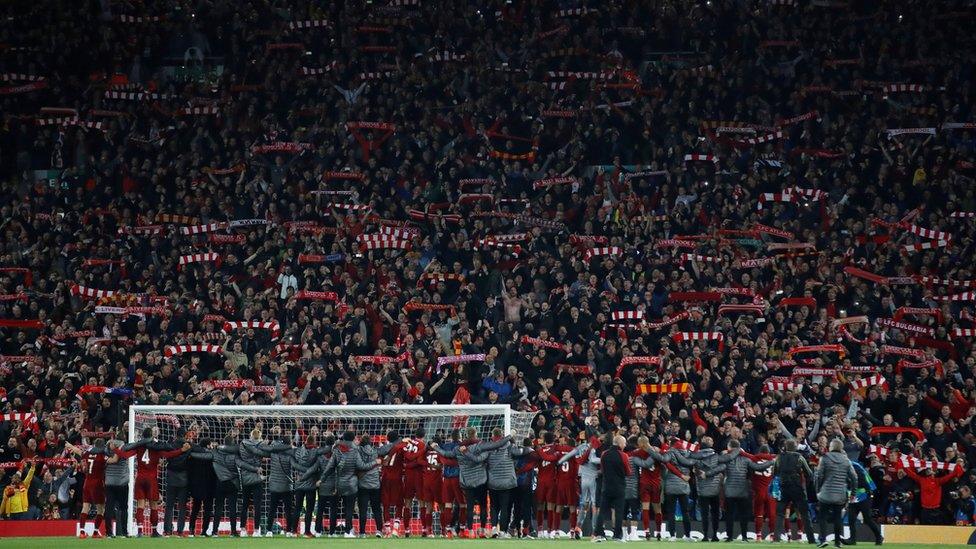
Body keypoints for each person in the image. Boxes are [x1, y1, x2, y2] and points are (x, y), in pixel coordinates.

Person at [432, 427, 511, 538]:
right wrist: (510, 436)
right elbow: (495, 446)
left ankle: (469, 531)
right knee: (483, 506)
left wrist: (435, 446)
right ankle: (482, 530)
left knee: (469, 507)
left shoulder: (458, 448)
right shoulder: (480, 446)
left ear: (465, 436)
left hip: (467, 482)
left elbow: (445, 454)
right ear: (476, 434)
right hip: (481, 481)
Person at [115, 428, 191, 537]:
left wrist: (115, 450)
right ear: (151, 436)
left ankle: (140, 532)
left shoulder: (139, 446)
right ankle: (154, 531)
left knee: (140, 505)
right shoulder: (156, 447)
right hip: (151, 479)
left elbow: (125, 456)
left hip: (140, 478)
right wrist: (182, 450)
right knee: (153, 506)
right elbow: (168, 455)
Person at [705, 440, 773, 542]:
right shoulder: (746, 459)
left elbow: (718, 466)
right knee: (743, 516)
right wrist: (771, 462)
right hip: (743, 491)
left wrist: (707, 473)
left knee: (729, 515)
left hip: (729, 491)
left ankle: (730, 537)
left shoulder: (727, 459)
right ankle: (744, 537)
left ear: (730, 447)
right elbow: (758, 467)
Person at [470, 427, 529, 538]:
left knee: (494, 507)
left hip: (493, 483)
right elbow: (520, 452)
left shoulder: (488, 448)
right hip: (507, 483)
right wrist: (526, 448)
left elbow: (481, 461)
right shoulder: (509, 446)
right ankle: (502, 531)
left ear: (492, 436)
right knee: (505, 507)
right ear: (502, 435)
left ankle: (493, 529)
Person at [191, 436, 243, 537]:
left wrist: (191, 454)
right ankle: (233, 532)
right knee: (232, 508)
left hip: (220, 483)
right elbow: (241, 464)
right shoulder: (235, 454)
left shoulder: (215, 453)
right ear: (232, 444)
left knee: (218, 508)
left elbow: (203, 456)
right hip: (233, 483)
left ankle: (214, 531)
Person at [65, 438, 115, 538]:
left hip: (87, 482)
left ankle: (82, 532)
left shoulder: (88, 453)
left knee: (85, 507)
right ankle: (95, 533)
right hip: (98, 484)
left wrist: (70, 446)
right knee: (100, 509)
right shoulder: (102, 455)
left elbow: (79, 451)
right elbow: (113, 460)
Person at [815, 439, 857, 548]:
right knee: (838, 518)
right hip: (840, 494)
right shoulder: (846, 460)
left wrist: (818, 490)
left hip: (825, 493)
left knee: (822, 516)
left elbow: (818, 475)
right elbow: (854, 477)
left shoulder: (825, 458)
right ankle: (837, 542)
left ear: (831, 447)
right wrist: (853, 493)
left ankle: (823, 539)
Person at [773, 439, 817, 544]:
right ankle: (811, 539)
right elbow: (809, 473)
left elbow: (775, 472)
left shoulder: (779, 457)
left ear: (786, 447)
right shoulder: (799, 457)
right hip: (797, 488)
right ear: (796, 447)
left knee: (780, 514)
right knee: (805, 513)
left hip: (783, 488)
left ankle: (776, 539)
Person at [593, 434, 631, 542]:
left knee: (602, 511)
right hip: (619, 487)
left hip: (606, 486)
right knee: (619, 512)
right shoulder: (623, 455)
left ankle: (599, 534)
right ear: (619, 443)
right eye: (624, 443)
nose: (625, 445)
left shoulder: (604, 454)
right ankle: (617, 536)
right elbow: (628, 472)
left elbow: (602, 469)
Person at [262, 425, 297, 536]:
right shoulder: (292, 453)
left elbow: (263, 448)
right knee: (288, 510)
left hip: (274, 485)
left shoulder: (273, 452)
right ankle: (289, 531)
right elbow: (295, 466)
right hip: (287, 485)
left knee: (272, 509)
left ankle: (268, 530)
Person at [842, 460, 883, 545]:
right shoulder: (847, 466)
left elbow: (862, 481)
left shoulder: (854, 466)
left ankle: (879, 537)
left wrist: (849, 484)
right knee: (851, 519)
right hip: (854, 496)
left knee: (867, 519)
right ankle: (852, 540)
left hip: (864, 495)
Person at [291, 433, 324, 537]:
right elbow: (316, 467)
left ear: (305, 441)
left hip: (299, 484)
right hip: (311, 485)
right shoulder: (316, 452)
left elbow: (294, 464)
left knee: (297, 508)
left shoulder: (298, 451)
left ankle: (293, 532)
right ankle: (307, 532)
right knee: (309, 510)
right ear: (314, 442)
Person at [238, 428, 269, 536]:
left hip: (245, 477)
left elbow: (243, 458)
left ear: (251, 435)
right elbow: (262, 453)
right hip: (256, 478)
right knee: (257, 505)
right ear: (259, 436)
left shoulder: (242, 443)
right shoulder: (261, 444)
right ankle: (256, 530)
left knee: (245, 504)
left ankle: (242, 529)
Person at [161, 427, 192, 537]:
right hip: (183, 478)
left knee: (169, 506)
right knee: (182, 506)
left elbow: (165, 456)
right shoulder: (188, 446)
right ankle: (180, 531)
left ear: (176, 435)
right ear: (184, 435)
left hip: (171, 478)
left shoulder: (171, 445)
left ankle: (167, 531)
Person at [186, 437, 217, 538]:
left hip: (197, 486)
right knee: (207, 510)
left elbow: (190, 471)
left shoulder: (194, 456)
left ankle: (191, 531)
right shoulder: (213, 456)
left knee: (195, 509)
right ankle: (204, 531)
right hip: (209, 486)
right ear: (208, 445)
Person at [400, 427, 427, 536]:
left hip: (408, 476)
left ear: (415, 435)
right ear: (424, 436)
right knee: (422, 503)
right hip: (419, 476)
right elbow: (420, 462)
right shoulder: (422, 446)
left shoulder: (407, 443)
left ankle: (406, 529)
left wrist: (407, 465)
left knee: (407, 503)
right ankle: (425, 529)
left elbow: (404, 457)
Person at [104, 440, 129, 537]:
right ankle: (124, 532)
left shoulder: (104, 453)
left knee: (109, 508)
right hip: (121, 483)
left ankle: (109, 533)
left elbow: (111, 460)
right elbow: (115, 459)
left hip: (109, 483)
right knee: (123, 508)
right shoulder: (123, 452)